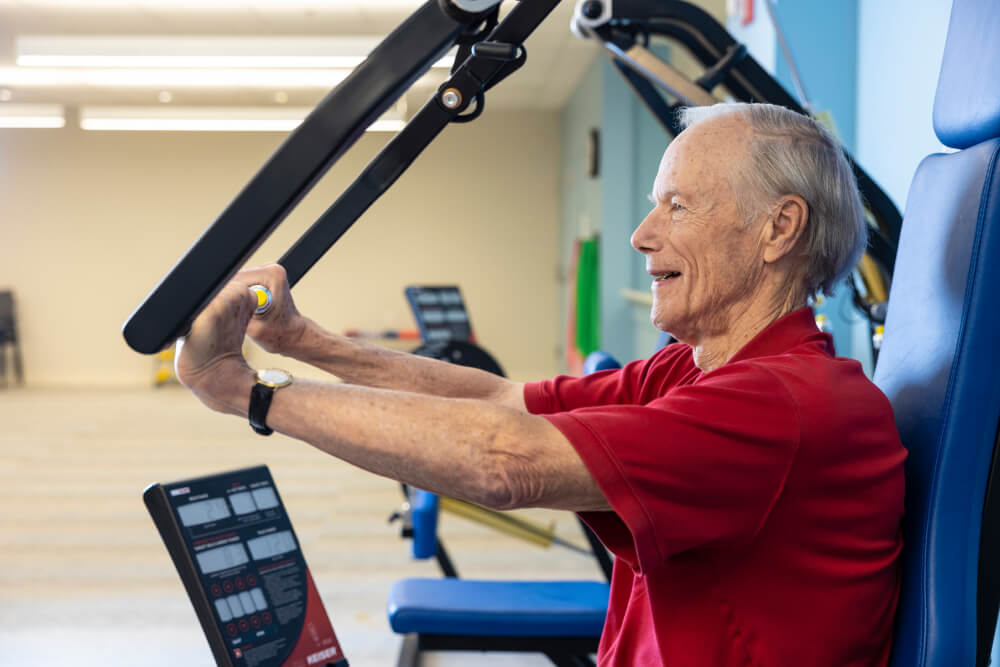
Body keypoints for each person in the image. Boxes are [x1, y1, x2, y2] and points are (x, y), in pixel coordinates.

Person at [175, 102, 906, 666]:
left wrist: (249, 393)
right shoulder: (699, 366)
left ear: (779, 229)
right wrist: (302, 341)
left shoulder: (781, 405)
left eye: (677, 204)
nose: (641, 234)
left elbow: (503, 460)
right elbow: (499, 401)